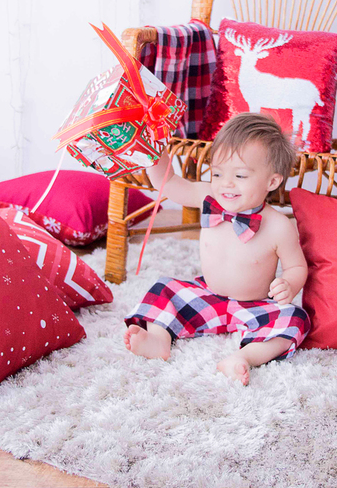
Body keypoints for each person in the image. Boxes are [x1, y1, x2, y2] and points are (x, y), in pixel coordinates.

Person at [123, 112, 309, 384]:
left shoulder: (279, 225)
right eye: (218, 172)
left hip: (256, 306)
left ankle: (245, 357)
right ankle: (159, 341)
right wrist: (154, 148)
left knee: (295, 318)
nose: (226, 183)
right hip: (207, 295)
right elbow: (169, 183)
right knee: (163, 289)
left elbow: (297, 266)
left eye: (240, 175)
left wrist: (290, 285)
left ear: (272, 182)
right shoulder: (207, 196)